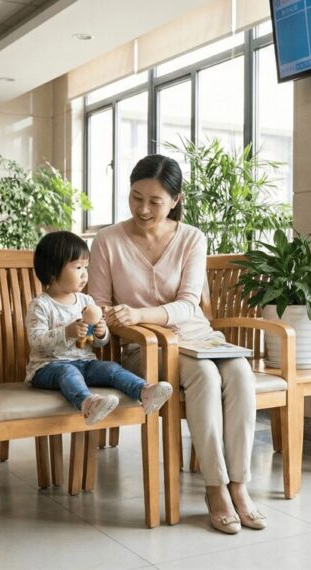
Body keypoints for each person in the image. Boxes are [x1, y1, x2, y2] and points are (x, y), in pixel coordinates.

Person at [88, 154, 266, 534]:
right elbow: (99, 305)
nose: (143, 209)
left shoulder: (192, 238)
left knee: (240, 372)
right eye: (136, 198)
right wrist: (114, 321)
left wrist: (138, 312)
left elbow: (188, 304)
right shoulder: (107, 241)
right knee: (204, 375)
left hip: (199, 336)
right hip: (146, 349)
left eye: (155, 201)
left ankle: (239, 485)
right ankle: (215, 489)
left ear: (175, 200)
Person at [26, 231, 172, 424]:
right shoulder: (41, 305)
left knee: (110, 368)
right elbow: (36, 341)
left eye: (86, 267)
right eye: (78, 267)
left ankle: (144, 391)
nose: (84, 274)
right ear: (53, 272)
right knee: (68, 372)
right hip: (47, 367)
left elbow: (97, 343)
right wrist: (66, 332)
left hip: (85, 362)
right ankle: (88, 404)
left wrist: (101, 332)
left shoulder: (86, 301)